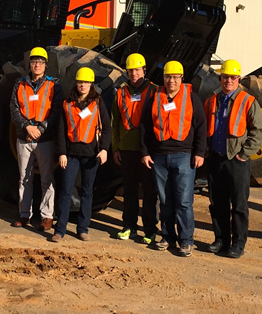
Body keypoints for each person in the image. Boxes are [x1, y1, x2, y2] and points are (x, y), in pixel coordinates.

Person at [140, 60, 207, 258]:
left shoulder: (191, 98)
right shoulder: (155, 98)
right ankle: (168, 237)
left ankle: (186, 240)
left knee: (184, 201)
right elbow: (144, 127)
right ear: (164, 78)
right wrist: (145, 152)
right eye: (168, 77)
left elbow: (201, 127)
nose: (172, 81)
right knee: (166, 200)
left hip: (184, 156)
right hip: (159, 157)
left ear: (181, 78)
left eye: (175, 77)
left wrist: (200, 153)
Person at [204, 59, 262, 259]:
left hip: (236, 160)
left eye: (232, 77)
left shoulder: (248, 101)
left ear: (238, 79)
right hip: (216, 159)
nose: (228, 81)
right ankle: (221, 239)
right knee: (217, 203)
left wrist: (244, 153)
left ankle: (238, 243)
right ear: (220, 78)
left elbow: (259, 131)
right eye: (225, 77)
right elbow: (205, 129)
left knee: (238, 205)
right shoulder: (212, 101)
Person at [51, 67, 111, 242]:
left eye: (86, 82)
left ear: (91, 84)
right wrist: (61, 153)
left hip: (91, 155)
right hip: (70, 154)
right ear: (76, 83)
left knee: (87, 192)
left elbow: (106, 128)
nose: (82, 85)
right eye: (80, 82)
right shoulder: (67, 103)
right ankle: (60, 230)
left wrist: (104, 149)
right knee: (65, 191)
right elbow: (61, 131)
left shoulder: (98, 103)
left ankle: (83, 228)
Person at [9, 46, 63, 231]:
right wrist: (27, 127)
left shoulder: (54, 85)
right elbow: (14, 109)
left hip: (44, 140)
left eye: (40, 62)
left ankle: (47, 216)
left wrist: (40, 128)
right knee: (24, 178)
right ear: (29, 65)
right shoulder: (19, 84)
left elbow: (56, 111)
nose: (37, 65)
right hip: (24, 138)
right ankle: (25, 214)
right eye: (34, 62)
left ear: (45, 65)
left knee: (47, 179)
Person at [111, 53, 159, 244]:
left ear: (144, 70)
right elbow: (115, 123)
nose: (134, 74)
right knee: (129, 191)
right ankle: (129, 227)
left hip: (147, 150)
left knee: (149, 191)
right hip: (127, 149)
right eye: (130, 71)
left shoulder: (155, 91)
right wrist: (116, 148)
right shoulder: (120, 92)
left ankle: (150, 229)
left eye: (137, 70)